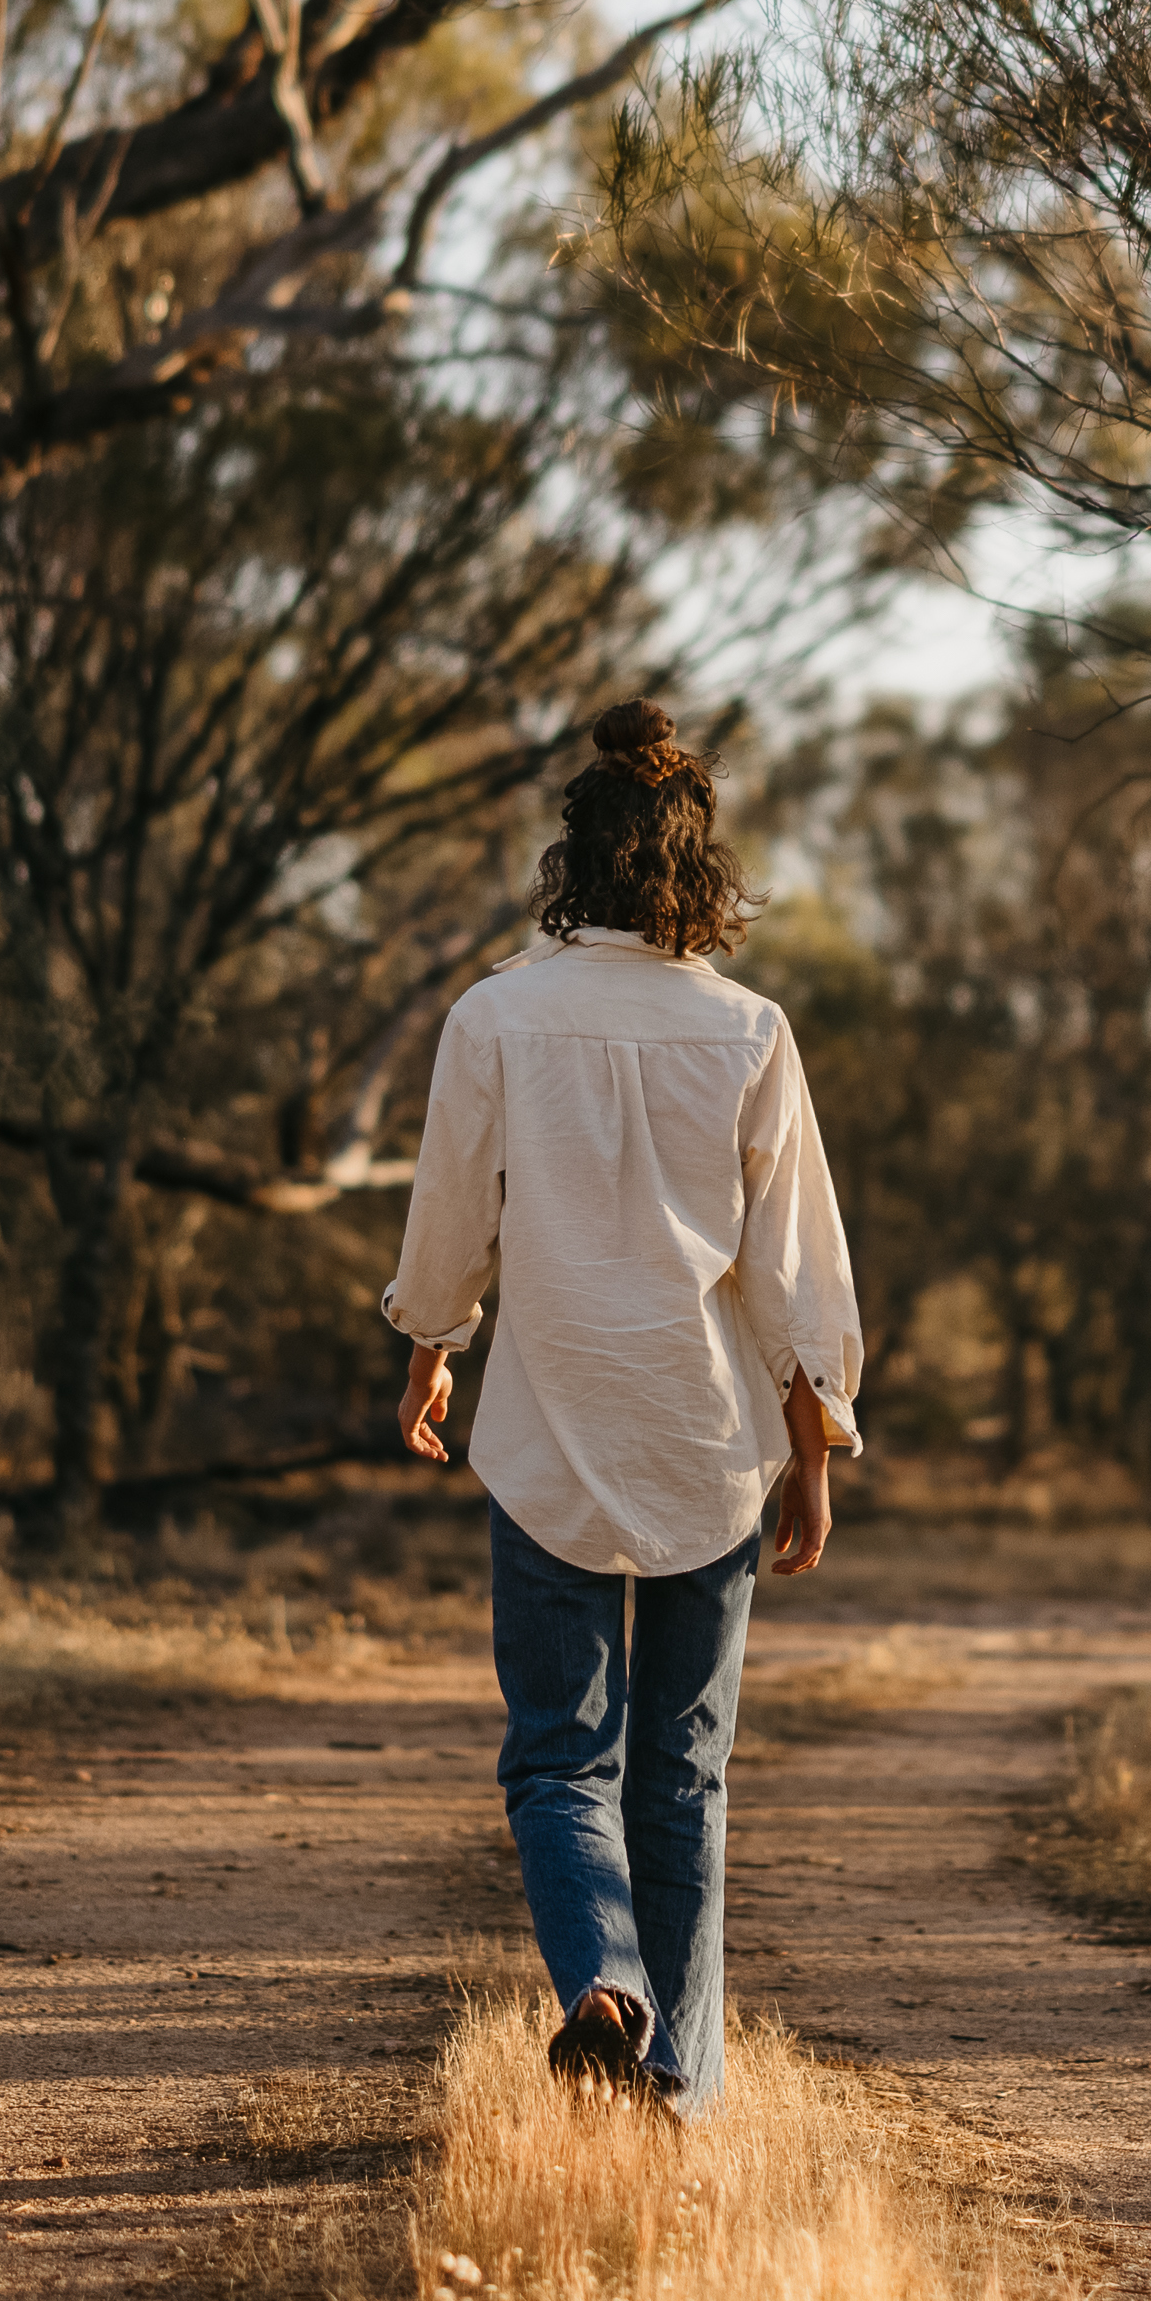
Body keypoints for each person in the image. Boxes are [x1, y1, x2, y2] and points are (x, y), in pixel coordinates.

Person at [379, 699, 861, 2117]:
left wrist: (431, 1350)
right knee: (685, 1776)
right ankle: (681, 2092)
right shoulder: (750, 1032)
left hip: (548, 1434)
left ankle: (604, 1977)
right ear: (695, 869)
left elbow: (449, 1222)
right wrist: (813, 1449)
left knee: (557, 1757)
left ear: (568, 863)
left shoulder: (496, 1016)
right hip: (707, 1442)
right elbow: (793, 1270)